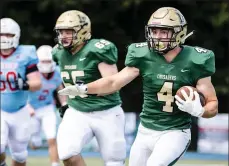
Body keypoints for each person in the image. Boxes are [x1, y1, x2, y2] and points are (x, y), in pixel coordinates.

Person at [58, 7, 219, 166]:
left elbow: (213, 105)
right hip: (145, 131)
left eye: (163, 32)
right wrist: (84, 88)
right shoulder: (143, 54)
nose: (157, 37)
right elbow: (114, 82)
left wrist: (199, 110)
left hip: (175, 131)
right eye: (154, 31)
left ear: (179, 33)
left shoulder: (196, 59)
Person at [52, 10, 126, 166]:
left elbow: (112, 84)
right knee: (67, 153)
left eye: (69, 31)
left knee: (114, 161)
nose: (63, 36)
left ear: (83, 31)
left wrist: (82, 89)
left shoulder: (97, 49)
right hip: (77, 111)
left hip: (107, 111)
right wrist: (66, 103)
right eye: (61, 32)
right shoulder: (58, 52)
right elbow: (63, 81)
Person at [0, 18, 42, 166]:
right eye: (1, 34)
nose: (4, 38)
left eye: (8, 34)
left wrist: (24, 84)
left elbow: (37, 83)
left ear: (16, 35)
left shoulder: (26, 53)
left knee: (19, 156)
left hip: (20, 110)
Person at [27, 45, 67, 166]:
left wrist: (64, 104)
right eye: (43, 61)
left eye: (48, 61)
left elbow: (60, 90)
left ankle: (55, 164)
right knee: (35, 144)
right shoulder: (31, 72)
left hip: (47, 107)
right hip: (31, 108)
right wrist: (27, 107)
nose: (46, 63)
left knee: (52, 138)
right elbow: (21, 92)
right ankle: (34, 141)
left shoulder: (57, 72)